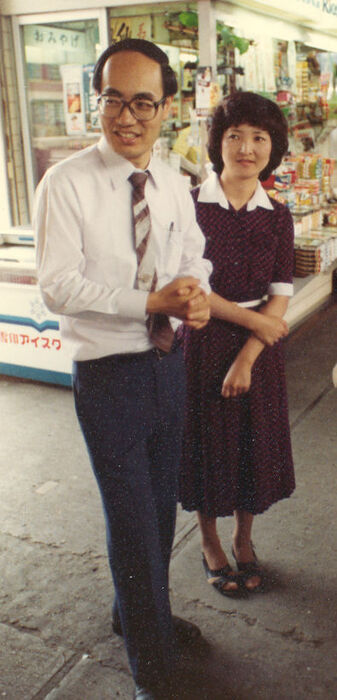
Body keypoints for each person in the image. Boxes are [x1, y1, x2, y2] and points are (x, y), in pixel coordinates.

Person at [34, 39, 212, 700]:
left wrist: (189, 296)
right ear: (97, 99)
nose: (126, 116)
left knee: (160, 511)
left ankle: (139, 615)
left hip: (168, 367)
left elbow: (185, 253)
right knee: (133, 525)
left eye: (142, 101)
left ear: (166, 107)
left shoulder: (169, 179)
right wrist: (146, 302)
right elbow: (56, 286)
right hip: (108, 380)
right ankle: (153, 674)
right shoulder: (67, 182)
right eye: (113, 99)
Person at [179, 91, 295, 596]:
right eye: (234, 136)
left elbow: (281, 294)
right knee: (207, 449)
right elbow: (189, 287)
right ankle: (210, 544)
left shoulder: (277, 214)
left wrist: (250, 353)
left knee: (252, 450)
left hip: (256, 353)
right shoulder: (191, 207)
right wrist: (257, 327)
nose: (246, 148)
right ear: (218, 143)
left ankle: (244, 540)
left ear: (273, 147)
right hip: (202, 340)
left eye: (258, 137)